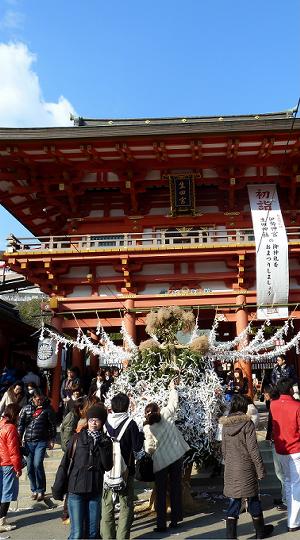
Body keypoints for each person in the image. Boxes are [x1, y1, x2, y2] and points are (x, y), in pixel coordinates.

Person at [52, 404, 113, 540]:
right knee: (77, 533)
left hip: (94, 491)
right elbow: (65, 464)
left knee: (93, 533)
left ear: (102, 422)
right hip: (76, 490)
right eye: (91, 420)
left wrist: (102, 446)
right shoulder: (77, 438)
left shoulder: (106, 441)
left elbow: (107, 466)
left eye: (97, 420)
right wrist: (58, 487)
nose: (93, 423)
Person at [220, 394, 273, 539]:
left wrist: (229, 463)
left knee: (233, 500)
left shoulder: (225, 425)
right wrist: (260, 470)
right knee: (253, 498)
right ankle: (260, 532)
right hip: (246, 468)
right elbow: (253, 450)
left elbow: (223, 450)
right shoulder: (247, 424)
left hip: (231, 468)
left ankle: (231, 536)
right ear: (244, 407)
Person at [143, 381, 190, 533]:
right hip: (176, 456)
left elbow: (149, 448)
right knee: (176, 487)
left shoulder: (148, 427)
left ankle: (161, 523)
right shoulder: (165, 414)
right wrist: (172, 388)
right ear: (158, 410)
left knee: (161, 491)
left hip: (161, 462)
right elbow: (173, 402)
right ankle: (176, 519)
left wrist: (153, 452)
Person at [101, 392, 144, 540]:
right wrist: (141, 434)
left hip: (107, 471)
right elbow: (137, 447)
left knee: (107, 505)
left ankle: (107, 536)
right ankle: (122, 537)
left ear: (112, 406)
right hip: (126, 471)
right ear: (126, 407)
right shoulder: (130, 423)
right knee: (125, 506)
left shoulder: (105, 422)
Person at [270, 378, 300, 532]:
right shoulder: (297, 406)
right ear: (290, 389)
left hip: (281, 448)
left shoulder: (273, 405)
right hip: (295, 449)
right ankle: (293, 521)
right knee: (295, 484)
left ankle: (292, 518)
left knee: (288, 483)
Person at [18, 390, 56, 501]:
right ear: (33, 398)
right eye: (37, 399)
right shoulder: (26, 408)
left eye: (41, 398)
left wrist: (52, 439)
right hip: (28, 442)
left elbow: (52, 426)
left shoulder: (48, 409)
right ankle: (34, 489)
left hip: (41, 441)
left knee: (37, 464)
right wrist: (19, 439)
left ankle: (41, 490)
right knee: (29, 467)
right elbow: (21, 425)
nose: (40, 400)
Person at [0, 403, 22, 533]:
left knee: (2, 492)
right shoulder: (10, 428)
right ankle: (1, 522)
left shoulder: (1, 424)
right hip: (8, 464)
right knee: (7, 494)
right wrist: (18, 468)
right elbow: (13, 451)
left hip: (1, 462)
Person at [265, 385, 287, 511]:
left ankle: (286, 498)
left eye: (265, 393)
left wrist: (270, 437)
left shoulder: (275, 405)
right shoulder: (275, 404)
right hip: (278, 440)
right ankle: (285, 495)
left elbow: (271, 424)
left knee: (281, 472)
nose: (264, 396)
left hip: (279, 441)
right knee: (281, 472)